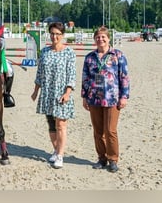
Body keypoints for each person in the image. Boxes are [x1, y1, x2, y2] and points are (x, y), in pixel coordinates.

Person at [81, 26, 130, 173]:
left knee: (110, 130)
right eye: (98, 37)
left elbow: (124, 77)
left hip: (112, 99)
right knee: (98, 131)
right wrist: (84, 96)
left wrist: (124, 96)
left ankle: (113, 159)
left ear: (109, 38)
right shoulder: (90, 57)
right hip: (94, 98)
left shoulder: (118, 55)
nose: (100, 39)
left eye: (103, 37)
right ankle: (101, 158)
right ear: (94, 39)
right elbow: (85, 78)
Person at [31, 22, 76, 169]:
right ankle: (56, 151)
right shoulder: (44, 52)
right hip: (47, 93)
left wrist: (67, 93)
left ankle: (61, 156)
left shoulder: (69, 52)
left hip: (62, 93)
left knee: (61, 125)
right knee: (51, 125)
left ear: (62, 35)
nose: (54, 36)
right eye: (52, 33)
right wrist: (36, 90)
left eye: (57, 34)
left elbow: (72, 75)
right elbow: (40, 73)